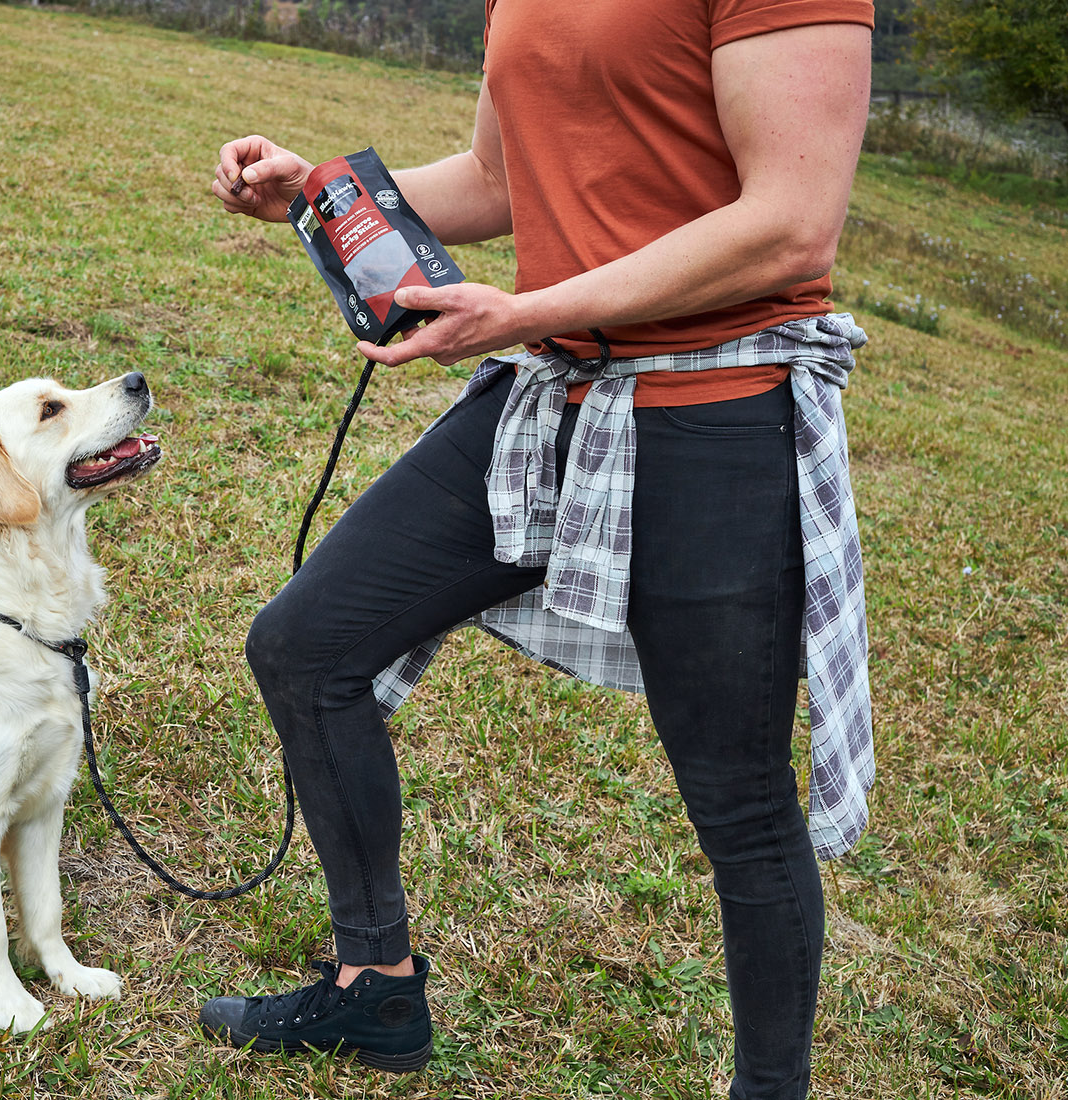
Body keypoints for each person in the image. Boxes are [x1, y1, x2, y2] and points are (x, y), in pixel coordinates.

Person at [199, 1, 877, 1095]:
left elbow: (791, 224)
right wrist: (319, 196)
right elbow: (500, 178)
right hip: (558, 385)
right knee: (307, 645)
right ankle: (376, 987)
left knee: (740, 801)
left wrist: (527, 309)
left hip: (716, 413)